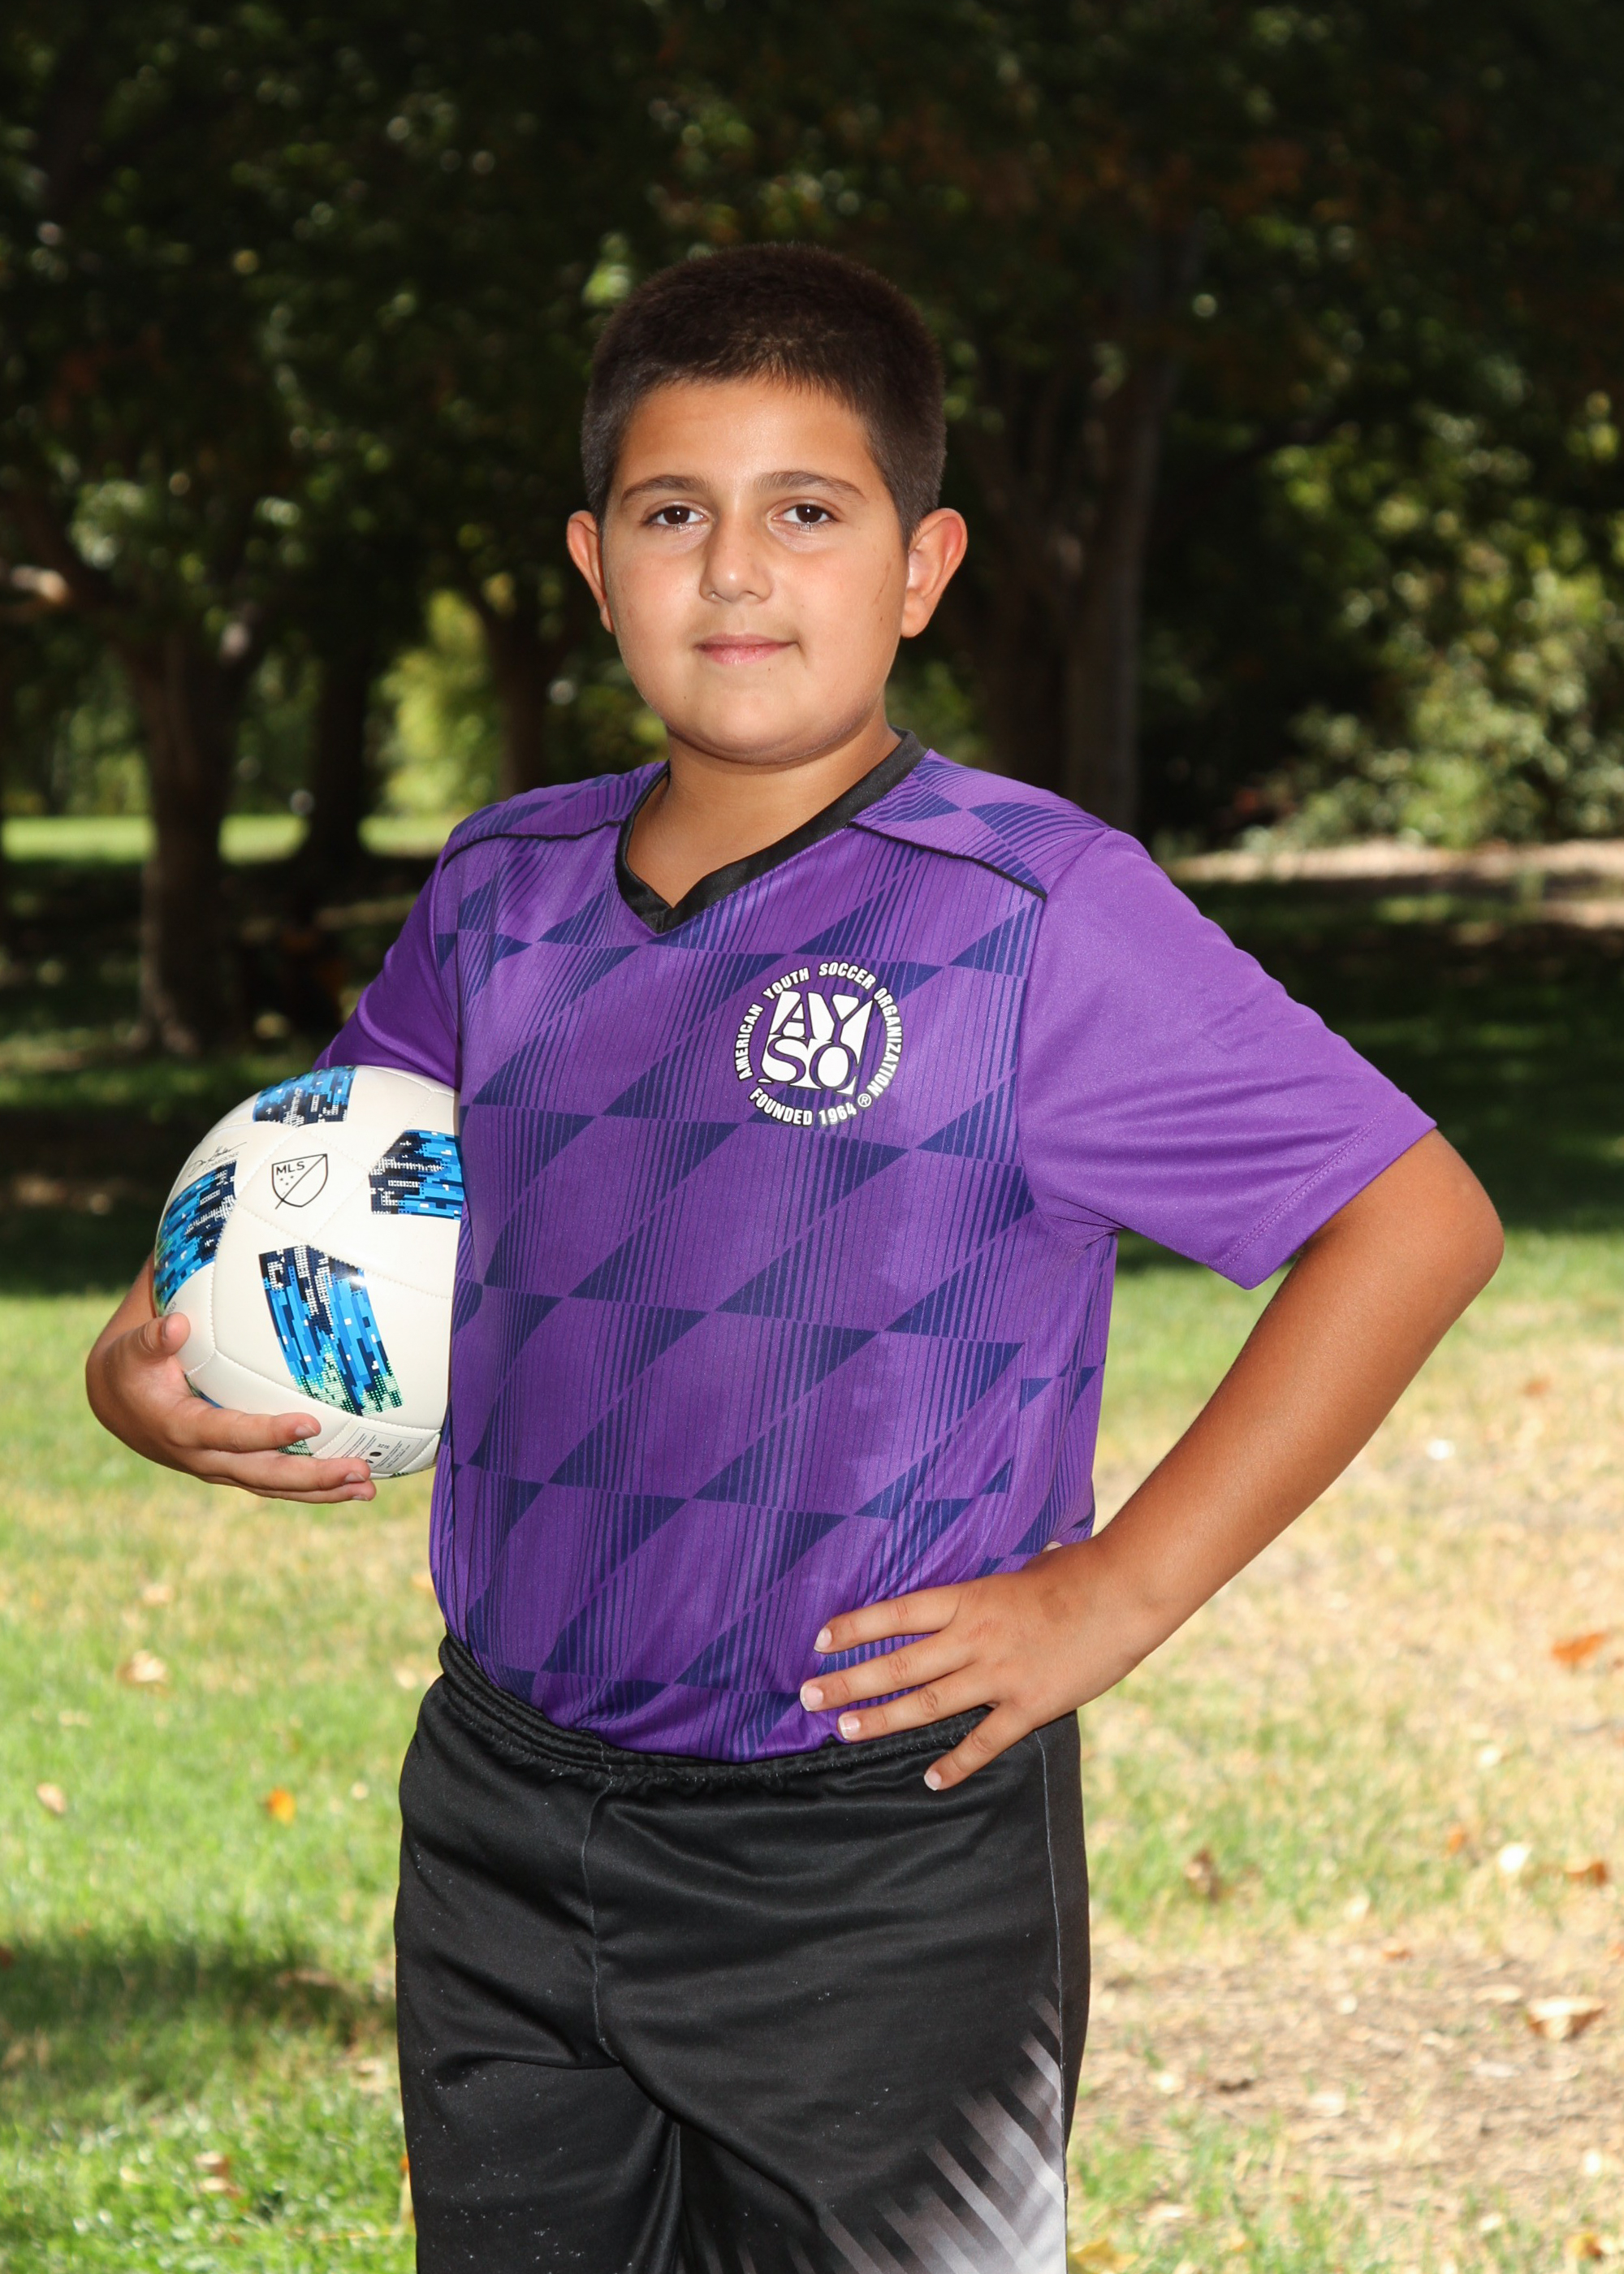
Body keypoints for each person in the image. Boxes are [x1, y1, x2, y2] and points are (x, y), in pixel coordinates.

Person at [86, 244, 1503, 2273]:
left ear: (920, 566)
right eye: (674, 513)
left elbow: (1413, 1217)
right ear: (595, 564)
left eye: (807, 512)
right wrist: (139, 1365)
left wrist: (1114, 1588)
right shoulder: (500, 894)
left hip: (874, 1852)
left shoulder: (1032, 914)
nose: (736, 570)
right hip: (501, 1812)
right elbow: (303, 1187)